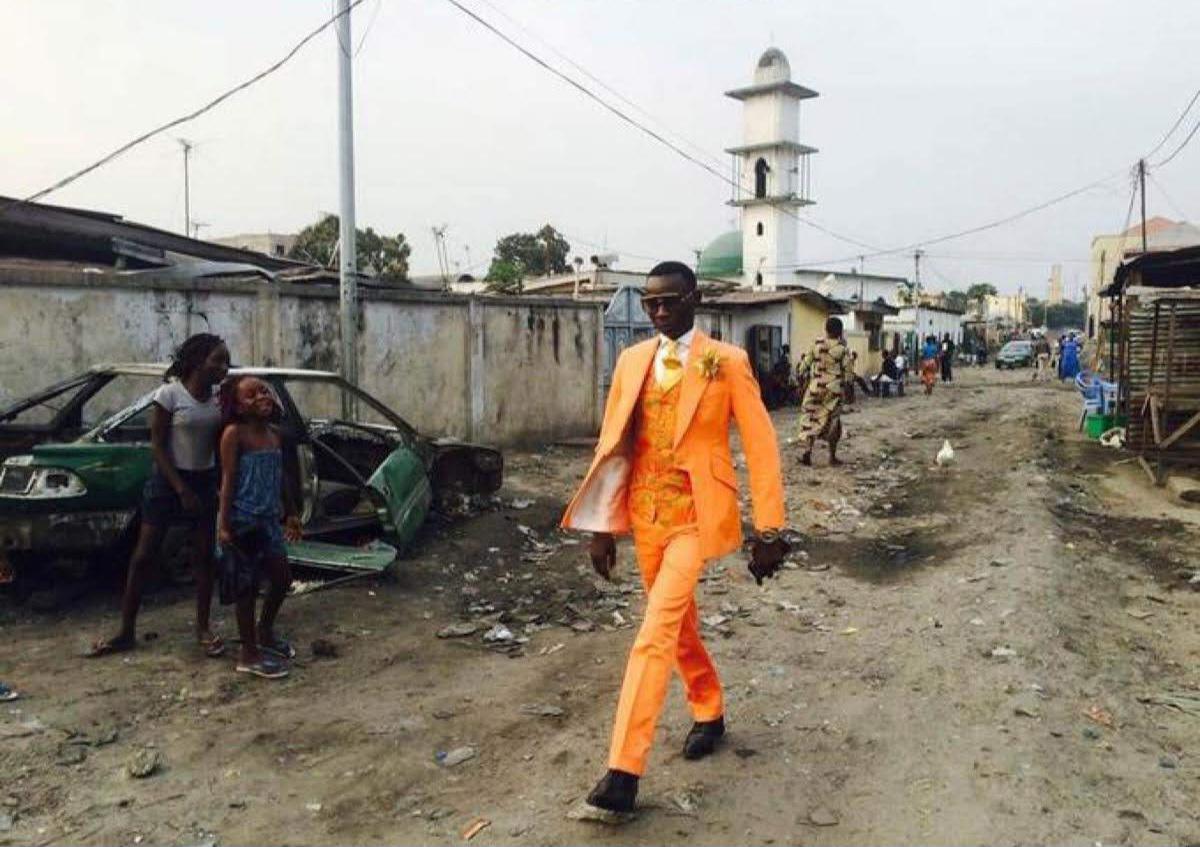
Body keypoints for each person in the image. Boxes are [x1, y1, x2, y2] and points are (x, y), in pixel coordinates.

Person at [561, 261, 787, 815]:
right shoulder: (632, 360)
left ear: (695, 298)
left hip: (695, 515)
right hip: (645, 514)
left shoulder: (727, 362)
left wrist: (771, 528)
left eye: (671, 302)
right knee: (678, 624)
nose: (660, 312)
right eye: (651, 304)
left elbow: (760, 446)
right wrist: (601, 527)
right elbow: (613, 444)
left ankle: (623, 770)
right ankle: (708, 707)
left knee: (654, 633)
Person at [89, 333, 230, 658]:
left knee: (205, 558)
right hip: (168, 481)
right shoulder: (170, 394)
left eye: (226, 360)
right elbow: (157, 445)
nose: (224, 367)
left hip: (204, 479)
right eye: (217, 360)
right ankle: (126, 630)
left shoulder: (219, 400)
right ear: (197, 361)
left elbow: (220, 444)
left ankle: (203, 628)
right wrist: (180, 488)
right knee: (143, 556)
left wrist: (221, 483)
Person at [217, 375, 300, 679]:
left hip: (269, 520)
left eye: (264, 391)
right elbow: (227, 481)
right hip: (243, 519)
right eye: (251, 396)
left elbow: (280, 477)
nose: (261, 397)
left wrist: (291, 512)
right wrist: (223, 525)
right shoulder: (233, 435)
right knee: (246, 589)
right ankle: (248, 653)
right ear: (238, 407)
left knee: (282, 579)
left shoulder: (274, 434)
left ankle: (265, 631)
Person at [795, 318, 852, 466]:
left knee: (811, 419)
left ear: (826, 330)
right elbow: (849, 373)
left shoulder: (817, 345)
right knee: (834, 422)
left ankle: (807, 453)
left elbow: (803, 367)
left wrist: (802, 383)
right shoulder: (843, 349)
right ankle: (832, 457)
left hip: (815, 388)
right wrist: (847, 390)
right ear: (840, 331)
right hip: (833, 391)